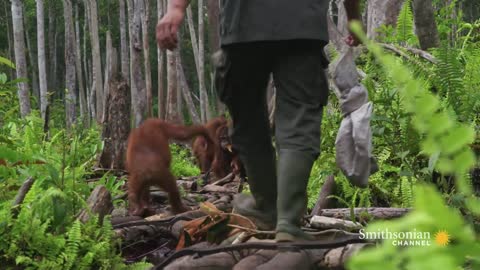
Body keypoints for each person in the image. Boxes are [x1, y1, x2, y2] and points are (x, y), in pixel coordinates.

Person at [157, 0, 361, 242]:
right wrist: (353, 17)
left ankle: (266, 207)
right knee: (298, 121)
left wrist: (176, 8)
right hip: (301, 24)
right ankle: (287, 222)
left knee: (248, 120)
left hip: (243, 27)